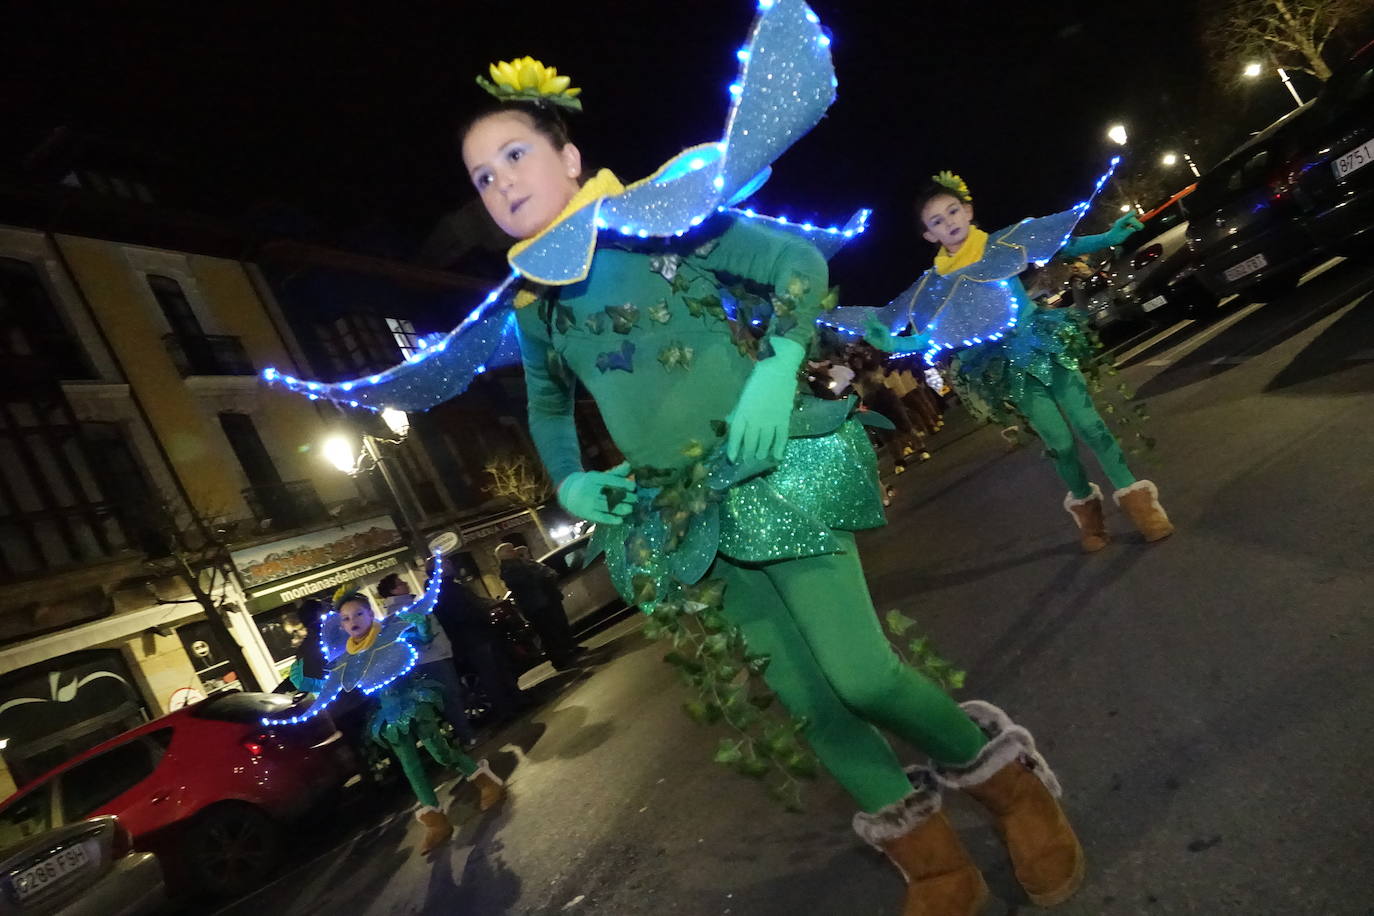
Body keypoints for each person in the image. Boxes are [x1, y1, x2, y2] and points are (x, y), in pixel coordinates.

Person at [268, 8, 1086, 910]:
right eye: (481, 176)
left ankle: (1011, 790)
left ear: (569, 159)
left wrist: (778, 367)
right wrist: (572, 476)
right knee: (811, 703)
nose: (501, 183)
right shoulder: (534, 306)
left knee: (862, 675)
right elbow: (547, 403)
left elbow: (795, 266)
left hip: (774, 472)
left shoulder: (659, 220)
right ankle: (933, 861)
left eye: (515, 156)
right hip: (684, 518)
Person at [854, 171, 1174, 553]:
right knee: (1059, 441)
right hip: (1005, 364)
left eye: (953, 211)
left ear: (967, 210)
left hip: (1042, 344)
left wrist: (1108, 237)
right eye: (937, 221)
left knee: (1090, 424)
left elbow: (1060, 246)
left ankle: (1140, 505)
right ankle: (1088, 514)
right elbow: (929, 335)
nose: (949, 222)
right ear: (929, 235)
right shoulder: (935, 284)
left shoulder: (1002, 242)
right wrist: (892, 340)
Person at [281, 582, 506, 855]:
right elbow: (337, 686)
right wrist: (305, 681)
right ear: (341, 625)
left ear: (370, 614)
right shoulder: (347, 656)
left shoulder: (389, 631)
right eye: (346, 618)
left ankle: (484, 781)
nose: (353, 621)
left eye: (358, 614)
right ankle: (436, 823)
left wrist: (421, 626)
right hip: (388, 714)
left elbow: (422, 640)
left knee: (441, 752)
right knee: (410, 766)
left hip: (414, 701)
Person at [377, 573, 477, 748]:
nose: (406, 583)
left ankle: (464, 733)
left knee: (453, 695)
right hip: (429, 659)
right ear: (392, 591)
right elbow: (414, 639)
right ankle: (466, 736)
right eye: (400, 583)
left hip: (439, 654)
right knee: (449, 697)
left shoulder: (411, 605)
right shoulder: (399, 613)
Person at [427, 558, 528, 722]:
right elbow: (461, 615)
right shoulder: (444, 591)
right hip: (474, 639)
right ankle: (507, 709)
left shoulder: (449, 588)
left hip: (478, 636)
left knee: (499, 671)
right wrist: (481, 616)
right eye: (447, 564)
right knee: (492, 675)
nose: (452, 566)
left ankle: (515, 702)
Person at [494, 542, 583, 670]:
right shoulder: (510, 569)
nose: (515, 551)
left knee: (557, 628)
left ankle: (567, 651)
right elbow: (531, 578)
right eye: (511, 550)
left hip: (543, 600)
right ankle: (559, 660)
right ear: (505, 555)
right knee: (548, 634)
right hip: (535, 606)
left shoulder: (520, 564)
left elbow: (543, 571)